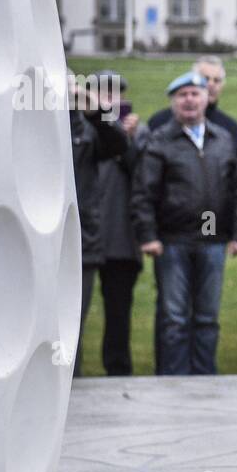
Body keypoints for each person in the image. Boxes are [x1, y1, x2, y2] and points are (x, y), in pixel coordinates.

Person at [132, 72, 237, 376]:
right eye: (182, 95)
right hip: (173, 241)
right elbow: (143, 192)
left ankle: (204, 379)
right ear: (173, 102)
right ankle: (174, 380)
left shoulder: (222, 139)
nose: (189, 100)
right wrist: (148, 235)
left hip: (213, 242)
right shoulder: (160, 141)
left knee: (207, 317)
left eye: (195, 94)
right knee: (174, 317)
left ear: (206, 98)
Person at [147, 55, 237, 257]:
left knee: (208, 282)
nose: (212, 85)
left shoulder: (229, 128)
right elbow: (146, 183)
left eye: (217, 80)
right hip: (171, 231)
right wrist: (148, 234)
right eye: (206, 78)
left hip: (211, 228)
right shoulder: (160, 123)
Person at [69, 74, 129, 375]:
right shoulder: (31, 124)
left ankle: (71, 389)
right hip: (37, 243)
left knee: (72, 327)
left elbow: (119, 143)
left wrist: (91, 107)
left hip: (80, 242)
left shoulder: (87, 129)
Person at [90, 70, 145, 376]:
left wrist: (128, 138)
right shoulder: (78, 128)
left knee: (118, 313)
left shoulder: (138, 131)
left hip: (121, 238)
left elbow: (143, 175)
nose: (108, 99)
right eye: (102, 93)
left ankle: (118, 373)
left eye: (113, 94)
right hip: (83, 236)